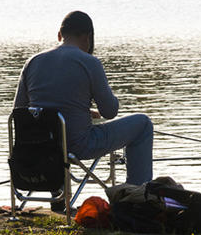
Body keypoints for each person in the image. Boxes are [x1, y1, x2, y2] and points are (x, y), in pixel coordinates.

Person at [13, 11, 153, 189]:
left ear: (59, 35)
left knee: (57, 132)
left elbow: (19, 111)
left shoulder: (32, 62)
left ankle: (57, 196)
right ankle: (138, 193)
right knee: (143, 124)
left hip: (41, 146)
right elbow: (110, 112)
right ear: (88, 37)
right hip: (79, 145)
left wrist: (81, 110)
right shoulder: (90, 63)